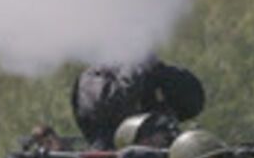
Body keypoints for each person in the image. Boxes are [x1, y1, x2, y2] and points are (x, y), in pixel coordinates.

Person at [71, 58, 206, 150]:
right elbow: (114, 103)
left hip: (162, 156)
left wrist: (165, 73)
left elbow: (192, 105)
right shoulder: (91, 79)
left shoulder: (152, 71)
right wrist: (135, 64)